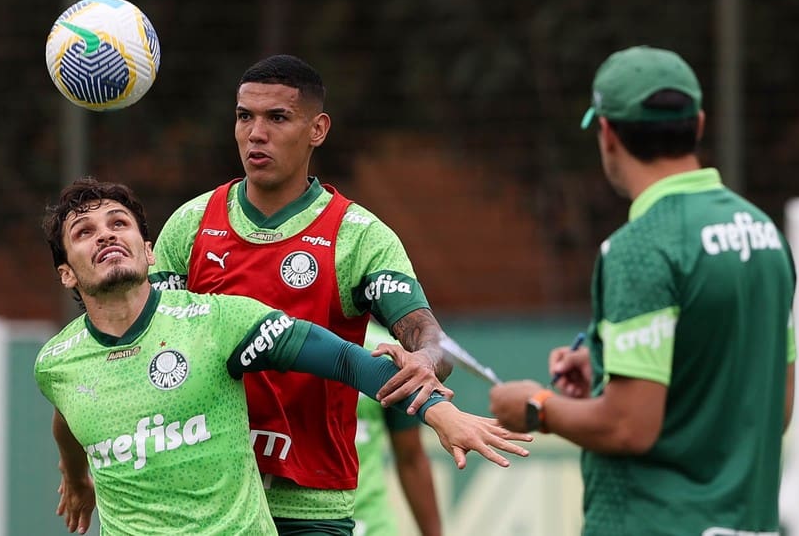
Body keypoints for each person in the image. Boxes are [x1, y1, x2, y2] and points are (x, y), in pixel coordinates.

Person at [37, 177, 530, 535]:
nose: (104, 234)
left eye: (117, 223)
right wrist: (76, 476)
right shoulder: (57, 364)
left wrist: (440, 412)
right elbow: (70, 418)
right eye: (84, 231)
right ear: (66, 274)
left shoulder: (218, 320)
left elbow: (344, 359)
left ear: (149, 253)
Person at [488, 45, 797, 535]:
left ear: (607, 133)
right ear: (697, 124)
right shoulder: (766, 235)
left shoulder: (640, 247)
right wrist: (613, 363)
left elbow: (628, 426)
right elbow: (771, 405)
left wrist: (536, 408)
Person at [149, 54, 462, 533]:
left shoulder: (358, 236)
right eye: (244, 116)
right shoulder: (190, 226)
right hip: (207, 497)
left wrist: (427, 358)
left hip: (310, 506)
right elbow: (150, 352)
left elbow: (426, 334)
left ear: (317, 129)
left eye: (277, 117)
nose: (256, 133)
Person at [353, 321, 441, 536]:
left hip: (369, 525)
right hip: (292, 520)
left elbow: (410, 456)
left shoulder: (386, 352)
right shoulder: (275, 338)